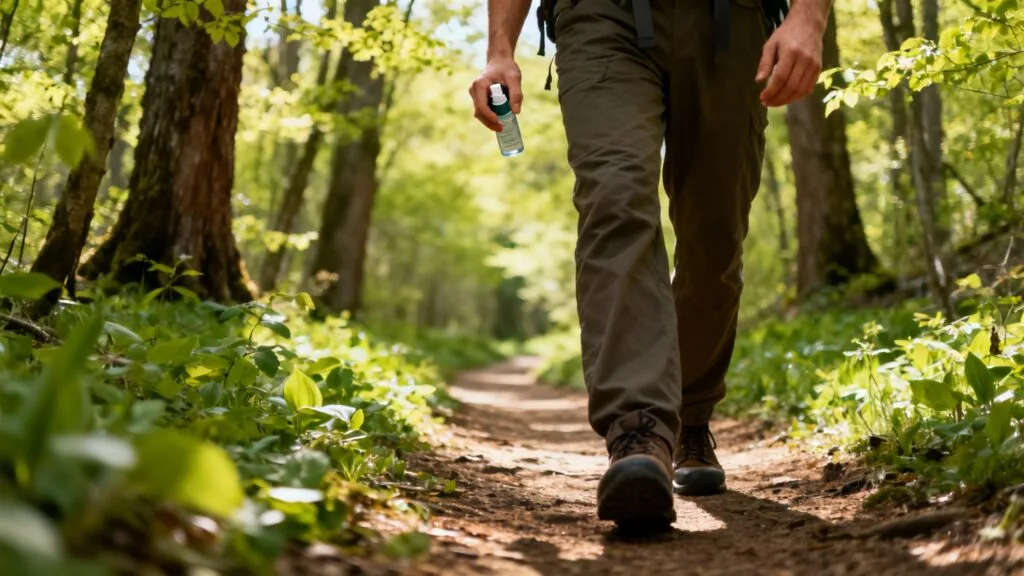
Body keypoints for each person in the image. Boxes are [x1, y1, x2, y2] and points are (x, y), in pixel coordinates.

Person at [470, 0, 830, 529]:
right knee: (614, 200)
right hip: (597, 18)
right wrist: (499, 50)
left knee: (716, 233)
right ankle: (638, 433)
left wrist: (809, 18)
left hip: (734, 20)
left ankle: (690, 416)